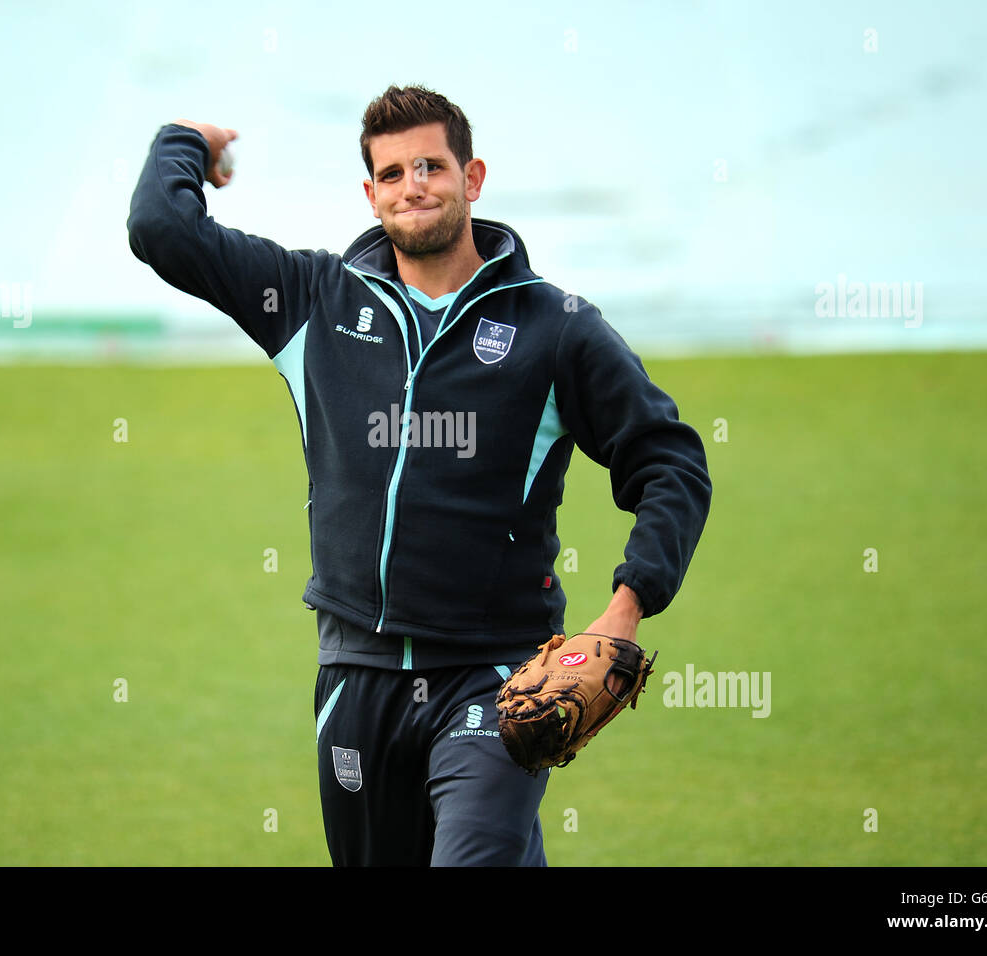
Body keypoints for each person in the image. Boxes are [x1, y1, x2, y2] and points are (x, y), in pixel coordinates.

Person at [127, 84, 712, 866]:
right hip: (354, 677)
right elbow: (161, 228)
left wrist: (628, 606)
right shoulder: (312, 299)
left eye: (432, 166)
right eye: (394, 174)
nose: (415, 186)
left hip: (495, 681)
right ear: (370, 195)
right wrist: (187, 139)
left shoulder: (555, 328)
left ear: (472, 179)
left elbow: (669, 458)